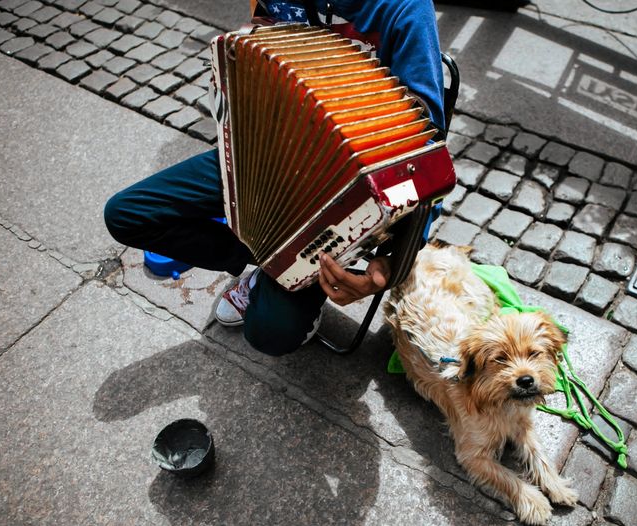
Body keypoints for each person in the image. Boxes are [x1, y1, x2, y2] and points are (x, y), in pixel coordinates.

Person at [104, 0, 445, 356]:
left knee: (268, 335)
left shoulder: (405, 8)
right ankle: (268, 261)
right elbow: (259, 44)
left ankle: (290, 271)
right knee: (126, 215)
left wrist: (392, 264)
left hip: (339, 198)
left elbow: (427, 158)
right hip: (264, 157)